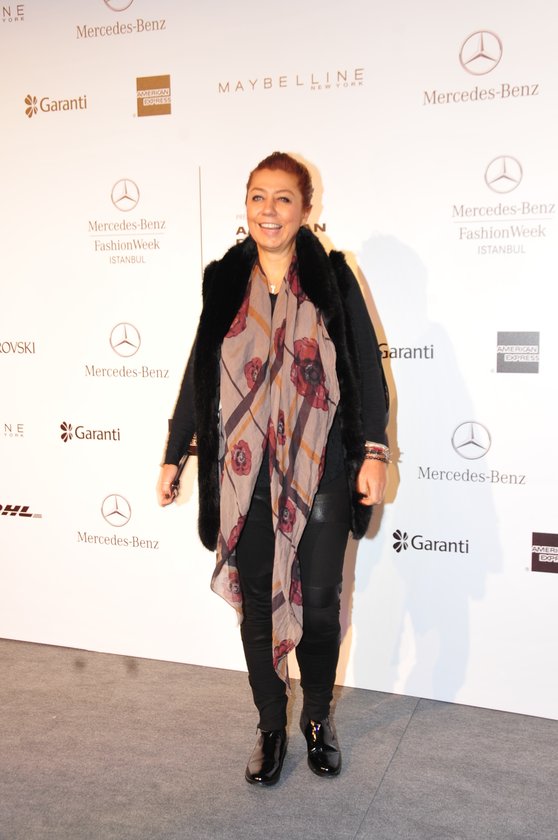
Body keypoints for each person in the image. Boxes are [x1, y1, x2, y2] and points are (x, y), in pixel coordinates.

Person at [158, 152, 389, 786]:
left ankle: (316, 719)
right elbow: (201, 371)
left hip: (323, 469)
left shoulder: (333, 278)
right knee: (257, 605)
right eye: (258, 196)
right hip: (244, 474)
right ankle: (268, 724)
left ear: (306, 209)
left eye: (283, 198)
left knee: (321, 605)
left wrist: (373, 452)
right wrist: (175, 452)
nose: (269, 210)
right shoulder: (225, 279)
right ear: (246, 205)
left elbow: (366, 369)